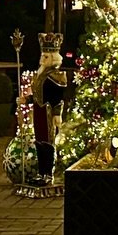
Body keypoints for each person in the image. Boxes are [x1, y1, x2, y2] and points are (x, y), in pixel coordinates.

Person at [25, 33, 68, 185]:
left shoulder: (56, 76)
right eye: (43, 55)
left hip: (48, 113)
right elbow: (37, 93)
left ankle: (48, 174)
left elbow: (58, 97)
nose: (43, 58)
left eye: (46, 56)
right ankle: (41, 172)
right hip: (38, 111)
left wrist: (57, 114)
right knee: (39, 142)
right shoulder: (40, 74)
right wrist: (27, 99)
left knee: (48, 143)